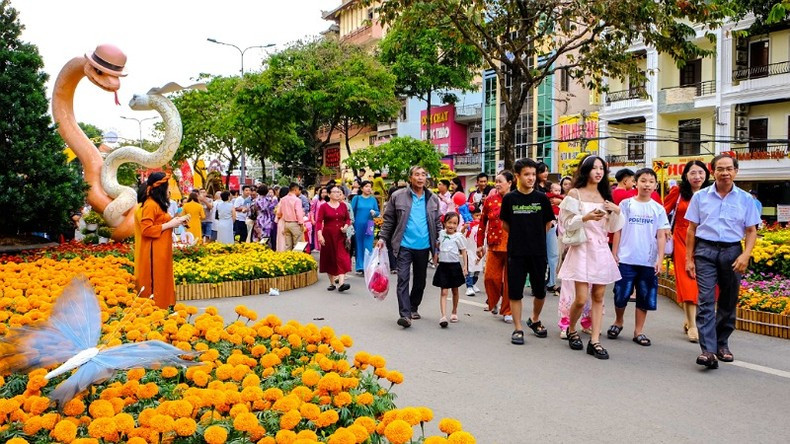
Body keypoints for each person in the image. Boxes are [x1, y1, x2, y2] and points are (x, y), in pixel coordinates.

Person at [685, 154, 760, 369]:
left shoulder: (746, 199)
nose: (725, 173)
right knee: (706, 300)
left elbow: (751, 231)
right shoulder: (700, 197)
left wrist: (745, 255)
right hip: (705, 251)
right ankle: (707, 351)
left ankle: (722, 343)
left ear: (736, 171)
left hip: (732, 252)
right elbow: (691, 230)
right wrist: (688, 259)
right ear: (713, 171)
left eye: (729, 168)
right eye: (720, 169)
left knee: (728, 300)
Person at [557, 155, 624, 359]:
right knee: (581, 298)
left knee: (599, 296)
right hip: (582, 250)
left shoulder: (605, 195)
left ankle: (595, 341)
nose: (598, 172)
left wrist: (616, 212)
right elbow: (565, 224)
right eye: (594, 168)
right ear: (586, 171)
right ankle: (572, 328)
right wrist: (585, 217)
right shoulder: (575, 194)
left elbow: (613, 227)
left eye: (601, 168)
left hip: (601, 250)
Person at [610, 168, 670, 346]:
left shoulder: (658, 209)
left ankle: (639, 331)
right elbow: (618, 231)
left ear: (655, 185)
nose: (647, 184)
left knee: (644, 296)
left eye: (651, 182)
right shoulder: (626, 205)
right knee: (620, 294)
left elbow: (661, 235)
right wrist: (614, 254)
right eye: (643, 180)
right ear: (636, 182)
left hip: (648, 261)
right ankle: (618, 321)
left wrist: (659, 259)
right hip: (626, 258)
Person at [378, 165, 441, 328]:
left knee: (420, 281)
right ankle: (405, 314)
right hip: (404, 245)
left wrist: (440, 244)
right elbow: (389, 220)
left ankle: (413, 307)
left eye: (423, 175)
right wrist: (382, 238)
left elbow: (437, 222)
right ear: (410, 178)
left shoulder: (432, 198)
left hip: (424, 246)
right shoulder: (398, 196)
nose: (421, 177)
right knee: (403, 279)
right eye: (417, 174)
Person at [500, 158, 555, 345]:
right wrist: (520, 235)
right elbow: (505, 224)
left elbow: (547, 223)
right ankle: (518, 328)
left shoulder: (542, 199)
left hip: (538, 252)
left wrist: (534, 237)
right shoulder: (509, 199)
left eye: (533, 174)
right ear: (517, 177)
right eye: (527, 174)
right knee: (515, 292)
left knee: (540, 291)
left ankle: (535, 318)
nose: (531, 178)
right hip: (516, 252)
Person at [663, 161, 710, 342]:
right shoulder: (678, 193)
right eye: (693, 173)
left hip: (706, 242)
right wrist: (665, 228)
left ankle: (689, 319)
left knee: (704, 284)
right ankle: (692, 325)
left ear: (706, 174)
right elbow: (662, 211)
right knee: (688, 282)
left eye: (700, 172)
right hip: (682, 240)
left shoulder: (712, 193)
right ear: (686, 176)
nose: (697, 176)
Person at [134, 172, 189, 309]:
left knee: (163, 279)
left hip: (161, 250)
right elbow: (146, 230)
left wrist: (178, 220)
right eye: (167, 186)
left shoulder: (156, 204)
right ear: (161, 187)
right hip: (154, 252)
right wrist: (170, 224)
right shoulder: (150, 205)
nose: (168, 189)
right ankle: (155, 309)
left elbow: (162, 221)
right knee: (156, 281)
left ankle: (162, 308)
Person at [478, 171, 514, 321]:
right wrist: (480, 244)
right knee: (490, 278)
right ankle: (493, 301)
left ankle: (507, 311)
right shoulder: (490, 200)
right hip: (494, 244)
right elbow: (482, 222)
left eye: (500, 181)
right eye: (496, 181)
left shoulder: (517, 199)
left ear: (510, 182)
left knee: (510, 280)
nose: (497, 184)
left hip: (514, 245)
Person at [432, 212, 467, 328]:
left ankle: (454, 311)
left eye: (454, 223)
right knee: (444, 291)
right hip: (443, 266)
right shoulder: (441, 234)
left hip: (454, 266)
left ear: (457, 225)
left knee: (455, 290)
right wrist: (435, 257)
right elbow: (437, 246)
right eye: (449, 222)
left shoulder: (458, 237)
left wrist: (465, 266)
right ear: (444, 223)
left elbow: (463, 251)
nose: (451, 225)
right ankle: (443, 316)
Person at [316, 183, 352, 292]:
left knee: (342, 257)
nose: (337, 194)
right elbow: (318, 222)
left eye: (339, 192)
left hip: (341, 235)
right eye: (335, 192)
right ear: (329, 194)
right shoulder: (324, 206)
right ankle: (332, 283)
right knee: (330, 257)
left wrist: (346, 227)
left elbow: (347, 219)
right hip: (328, 235)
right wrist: (320, 235)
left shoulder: (343, 206)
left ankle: (341, 283)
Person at [351, 181, 381, 274]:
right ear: (361, 188)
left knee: (368, 245)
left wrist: (374, 213)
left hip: (369, 224)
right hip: (358, 224)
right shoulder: (357, 198)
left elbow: (377, 212)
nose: (369, 188)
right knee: (359, 244)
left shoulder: (373, 200)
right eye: (366, 186)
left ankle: (368, 265)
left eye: (370, 187)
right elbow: (351, 211)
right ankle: (360, 266)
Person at [545, 182, 563, 293]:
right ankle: (551, 282)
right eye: (555, 190)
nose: (558, 193)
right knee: (553, 255)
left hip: (556, 227)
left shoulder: (561, 200)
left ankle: (551, 282)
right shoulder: (547, 198)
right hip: (550, 227)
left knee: (554, 256)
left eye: (559, 190)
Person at [279, 183, 306, 251]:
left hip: (286, 223)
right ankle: (296, 260)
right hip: (295, 223)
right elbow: (299, 213)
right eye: (298, 190)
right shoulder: (297, 200)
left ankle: (288, 260)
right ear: (295, 189)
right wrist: (301, 224)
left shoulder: (283, 199)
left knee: (288, 245)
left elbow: (279, 212)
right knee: (297, 245)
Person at [464, 207, 483, 296]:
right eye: (476, 215)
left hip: (479, 250)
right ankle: (469, 286)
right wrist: (465, 228)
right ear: (471, 216)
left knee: (477, 270)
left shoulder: (482, 225)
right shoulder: (469, 225)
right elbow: (462, 234)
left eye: (480, 215)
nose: (479, 217)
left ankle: (474, 284)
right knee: (470, 270)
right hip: (470, 251)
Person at [274, 187, 290, 251]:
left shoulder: (281, 201)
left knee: (281, 239)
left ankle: (281, 252)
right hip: (288, 221)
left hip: (281, 221)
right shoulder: (288, 201)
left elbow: (278, 213)